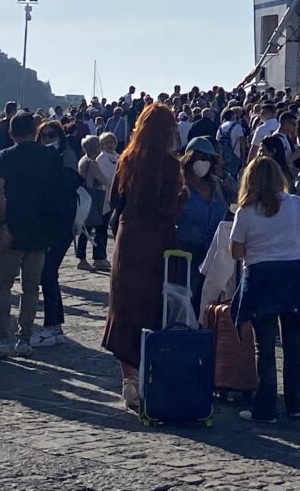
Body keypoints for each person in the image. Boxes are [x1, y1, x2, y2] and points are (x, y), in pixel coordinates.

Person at [230, 156, 300, 423]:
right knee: (292, 344)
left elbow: (236, 251)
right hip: (293, 275)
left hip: (262, 276)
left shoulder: (246, 211)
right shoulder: (294, 204)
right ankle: (295, 404)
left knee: (264, 347)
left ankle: (266, 408)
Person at [103, 103, 184, 412]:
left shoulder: (128, 159)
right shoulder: (169, 165)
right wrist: (182, 199)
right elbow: (167, 209)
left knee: (125, 304)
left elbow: (114, 200)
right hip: (158, 238)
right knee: (154, 302)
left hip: (129, 235)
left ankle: (129, 379)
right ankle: (151, 373)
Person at [0, 112, 63, 358]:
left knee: (3, 285)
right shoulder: (49, 156)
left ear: (11, 133)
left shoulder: (6, 156)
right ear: (35, 130)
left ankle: (0, 337)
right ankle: (24, 338)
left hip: (13, 227)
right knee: (31, 287)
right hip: (40, 230)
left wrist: (1, 223)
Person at [30, 120, 82, 348]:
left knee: (47, 271)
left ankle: (53, 325)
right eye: (43, 135)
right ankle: (54, 323)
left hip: (62, 224)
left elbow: (70, 183)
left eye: (51, 135)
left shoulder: (66, 156)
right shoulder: (39, 158)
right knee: (46, 273)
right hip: (45, 223)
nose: (47, 139)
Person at [176, 138, 228, 315]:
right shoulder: (179, 185)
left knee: (215, 303)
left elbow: (235, 204)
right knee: (188, 300)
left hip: (216, 254)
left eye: (208, 158)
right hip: (188, 254)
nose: (204, 161)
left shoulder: (217, 184)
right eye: (200, 156)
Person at [76, 135, 112, 272]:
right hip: (95, 197)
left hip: (86, 196)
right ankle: (95, 258)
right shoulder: (92, 163)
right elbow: (105, 180)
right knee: (98, 229)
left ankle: (87, 258)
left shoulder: (82, 160)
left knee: (87, 229)